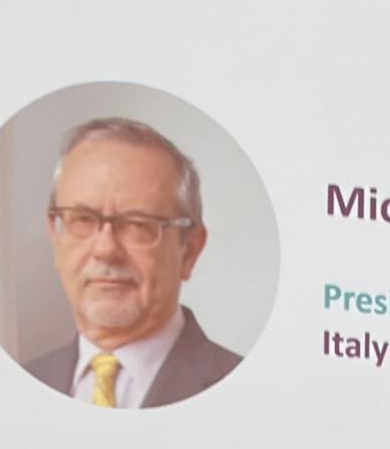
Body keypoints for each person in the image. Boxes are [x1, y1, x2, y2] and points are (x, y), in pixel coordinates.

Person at [25, 117, 242, 408]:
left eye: (138, 224)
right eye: (83, 220)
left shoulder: (250, 391)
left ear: (190, 250)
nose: (105, 249)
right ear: (56, 236)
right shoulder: (16, 386)